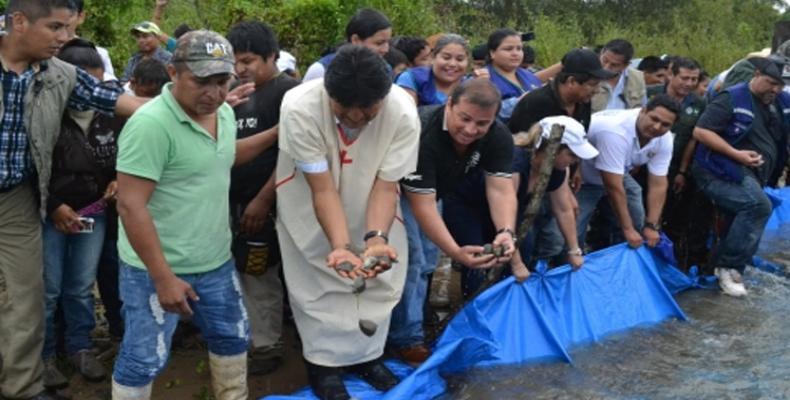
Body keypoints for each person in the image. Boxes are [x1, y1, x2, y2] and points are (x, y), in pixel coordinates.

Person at [111, 30, 277, 399]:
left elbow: (222, 157)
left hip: (215, 261)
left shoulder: (222, 114)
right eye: (202, 81)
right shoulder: (151, 125)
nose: (214, 93)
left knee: (232, 338)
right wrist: (163, 277)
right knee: (143, 357)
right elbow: (130, 204)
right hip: (153, 269)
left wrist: (277, 133)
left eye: (223, 81)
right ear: (174, 73)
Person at [0, 0, 145, 398]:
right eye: (55, 27)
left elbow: (119, 101)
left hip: (16, 198)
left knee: (26, 297)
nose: (65, 37)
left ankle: (22, 388)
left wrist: (187, 104)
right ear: (18, 21)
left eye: (68, 27)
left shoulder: (59, 74)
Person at [275, 45, 420, 400]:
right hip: (311, 201)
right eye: (344, 112)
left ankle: (367, 357)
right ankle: (323, 365)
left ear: (384, 97)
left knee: (376, 277)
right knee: (317, 283)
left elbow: (386, 187)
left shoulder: (402, 112)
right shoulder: (299, 106)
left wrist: (375, 238)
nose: (355, 120)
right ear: (328, 93)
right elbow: (321, 189)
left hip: (373, 199)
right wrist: (340, 245)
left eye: (367, 113)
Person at [390, 79, 517, 363]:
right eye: (465, 119)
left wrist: (506, 231)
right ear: (450, 105)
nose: (471, 130)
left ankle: (416, 318)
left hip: (436, 189)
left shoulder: (497, 136)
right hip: (393, 190)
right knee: (411, 259)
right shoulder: (423, 131)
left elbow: (500, 188)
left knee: (427, 260)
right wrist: (456, 252)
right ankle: (405, 336)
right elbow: (421, 205)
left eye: (482, 123)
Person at [39, 38, 123, 389]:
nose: (90, 92)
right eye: (82, 84)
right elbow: (34, 166)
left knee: (80, 285)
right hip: (50, 215)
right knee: (49, 288)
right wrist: (55, 206)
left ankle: (80, 346)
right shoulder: (46, 115)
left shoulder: (111, 116)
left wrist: (119, 179)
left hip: (95, 213)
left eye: (96, 83)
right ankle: (42, 356)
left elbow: (127, 154)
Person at [226, 20, 299, 376]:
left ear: (273, 56)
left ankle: (268, 345)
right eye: (236, 61)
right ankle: (258, 337)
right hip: (237, 202)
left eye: (249, 60)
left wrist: (263, 200)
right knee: (251, 270)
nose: (241, 69)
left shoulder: (288, 94)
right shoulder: (233, 93)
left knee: (264, 273)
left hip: (275, 204)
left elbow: (294, 155)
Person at [507, 48, 615, 266]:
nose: (595, 91)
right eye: (592, 84)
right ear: (572, 81)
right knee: (524, 233)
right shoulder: (537, 103)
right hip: (524, 180)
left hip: (557, 175)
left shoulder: (583, 103)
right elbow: (526, 149)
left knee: (554, 235)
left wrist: (576, 171)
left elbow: (578, 140)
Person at [691, 57, 789, 297]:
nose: (775, 89)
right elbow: (701, 131)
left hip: (753, 174)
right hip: (717, 171)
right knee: (758, 206)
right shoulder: (731, 97)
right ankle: (730, 267)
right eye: (771, 83)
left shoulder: (782, 101)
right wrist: (736, 154)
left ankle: (717, 267)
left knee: (737, 217)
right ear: (756, 74)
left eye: (780, 84)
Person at [576, 95, 680, 251]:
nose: (657, 127)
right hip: (584, 179)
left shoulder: (664, 138)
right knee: (573, 233)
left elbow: (658, 184)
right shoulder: (615, 131)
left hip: (617, 172)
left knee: (637, 221)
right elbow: (613, 187)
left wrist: (651, 225)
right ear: (643, 111)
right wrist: (627, 229)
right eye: (654, 119)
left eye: (665, 125)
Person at [646, 57, 708, 270]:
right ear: (671, 74)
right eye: (684, 78)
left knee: (673, 214)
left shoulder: (699, 103)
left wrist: (683, 170)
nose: (689, 84)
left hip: (676, 165)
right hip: (644, 163)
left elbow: (694, 138)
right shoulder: (651, 95)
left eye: (694, 79)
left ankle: (669, 260)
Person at [303, 8, 391, 81]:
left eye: (388, 42)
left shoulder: (384, 70)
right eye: (379, 43)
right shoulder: (321, 70)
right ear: (355, 40)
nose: (386, 49)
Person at [484, 28, 542, 121]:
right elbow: (481, 111)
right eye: (508, 49)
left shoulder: (528, 75)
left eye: (519, 49)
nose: (515, 53)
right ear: (492, 53)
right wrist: (518, 103)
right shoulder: (483, 78)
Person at [396, 34, 470, 106]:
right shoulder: (412, 78)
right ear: (433, 57)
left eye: (460, 59)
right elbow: (406, 115)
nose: (453, 64)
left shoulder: (471, 85)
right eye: (446, 58)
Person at [63, 0, 116, 81]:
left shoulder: (99, 53)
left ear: (81, 17)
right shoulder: (42, 52)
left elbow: (109, 84)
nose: (63, 20)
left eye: (69, 15)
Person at [591, 38, 647, 112]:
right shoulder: (589, 74)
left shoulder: (637, 78)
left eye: (614, 65)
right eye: (605, 60)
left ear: (626, 65)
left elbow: (642, 109)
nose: (606, 67)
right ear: (602, 52)